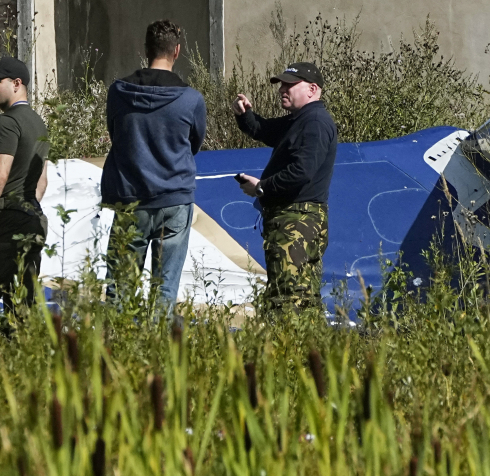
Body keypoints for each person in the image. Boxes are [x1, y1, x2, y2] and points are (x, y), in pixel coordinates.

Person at [100, 20, 207, 310]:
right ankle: (159, 350)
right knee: (164, 290)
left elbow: (115, 134)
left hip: (129, 197)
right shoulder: (191, 99)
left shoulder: (119, 92)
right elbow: (193, 145)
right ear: (178, 51)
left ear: (145, 50)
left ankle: (114, 349)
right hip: (173, 197)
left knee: (120, 289)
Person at [233, 62, 338, 316]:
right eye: (282, 84)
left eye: (290, 84)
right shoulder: (300, 120)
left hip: (297, 223)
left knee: (288, 301)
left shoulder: (314, 122)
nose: (282, 89)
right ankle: (306, 350)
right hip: (294, 221)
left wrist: (262, 188)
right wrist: (245, 114)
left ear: (313, 89)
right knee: (300, 299)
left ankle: (290, 351)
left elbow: (302, 172)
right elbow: (264, 130)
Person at [0, 55, 50, 313]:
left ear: (17, 83)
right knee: (22, 306)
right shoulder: (38, 123)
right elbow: (41, 181)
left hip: (2, 223)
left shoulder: (6, 122)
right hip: (32, 220)